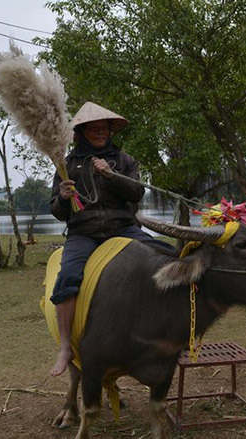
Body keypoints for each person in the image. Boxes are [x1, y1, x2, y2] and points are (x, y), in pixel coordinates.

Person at [48, 102, 173, 377]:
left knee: (169, 258)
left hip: (123, 227)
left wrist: (111, 175)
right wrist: (63, 198)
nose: (100, 133)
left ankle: (170, 335)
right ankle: (66, 347)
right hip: (83, 232)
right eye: (94, 129)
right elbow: (56, 212)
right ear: (81, 132)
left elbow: (137, 193)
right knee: (67, 277)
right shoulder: (66, 164)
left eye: (104, 128)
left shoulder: (124, 160)